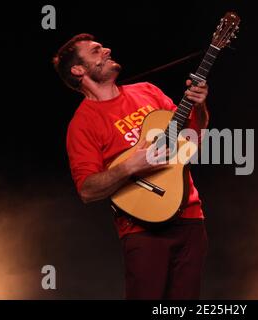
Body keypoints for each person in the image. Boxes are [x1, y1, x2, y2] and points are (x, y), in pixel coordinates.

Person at [53, 33, 209, 299]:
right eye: (96, 50)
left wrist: (200, 105)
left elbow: (194, 136)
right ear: (78, 70)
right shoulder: (82, 125)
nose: (107, 49)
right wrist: (129, 167)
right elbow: (87, 190)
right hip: (142, 229)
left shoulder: (147, 90)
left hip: (191, 218)